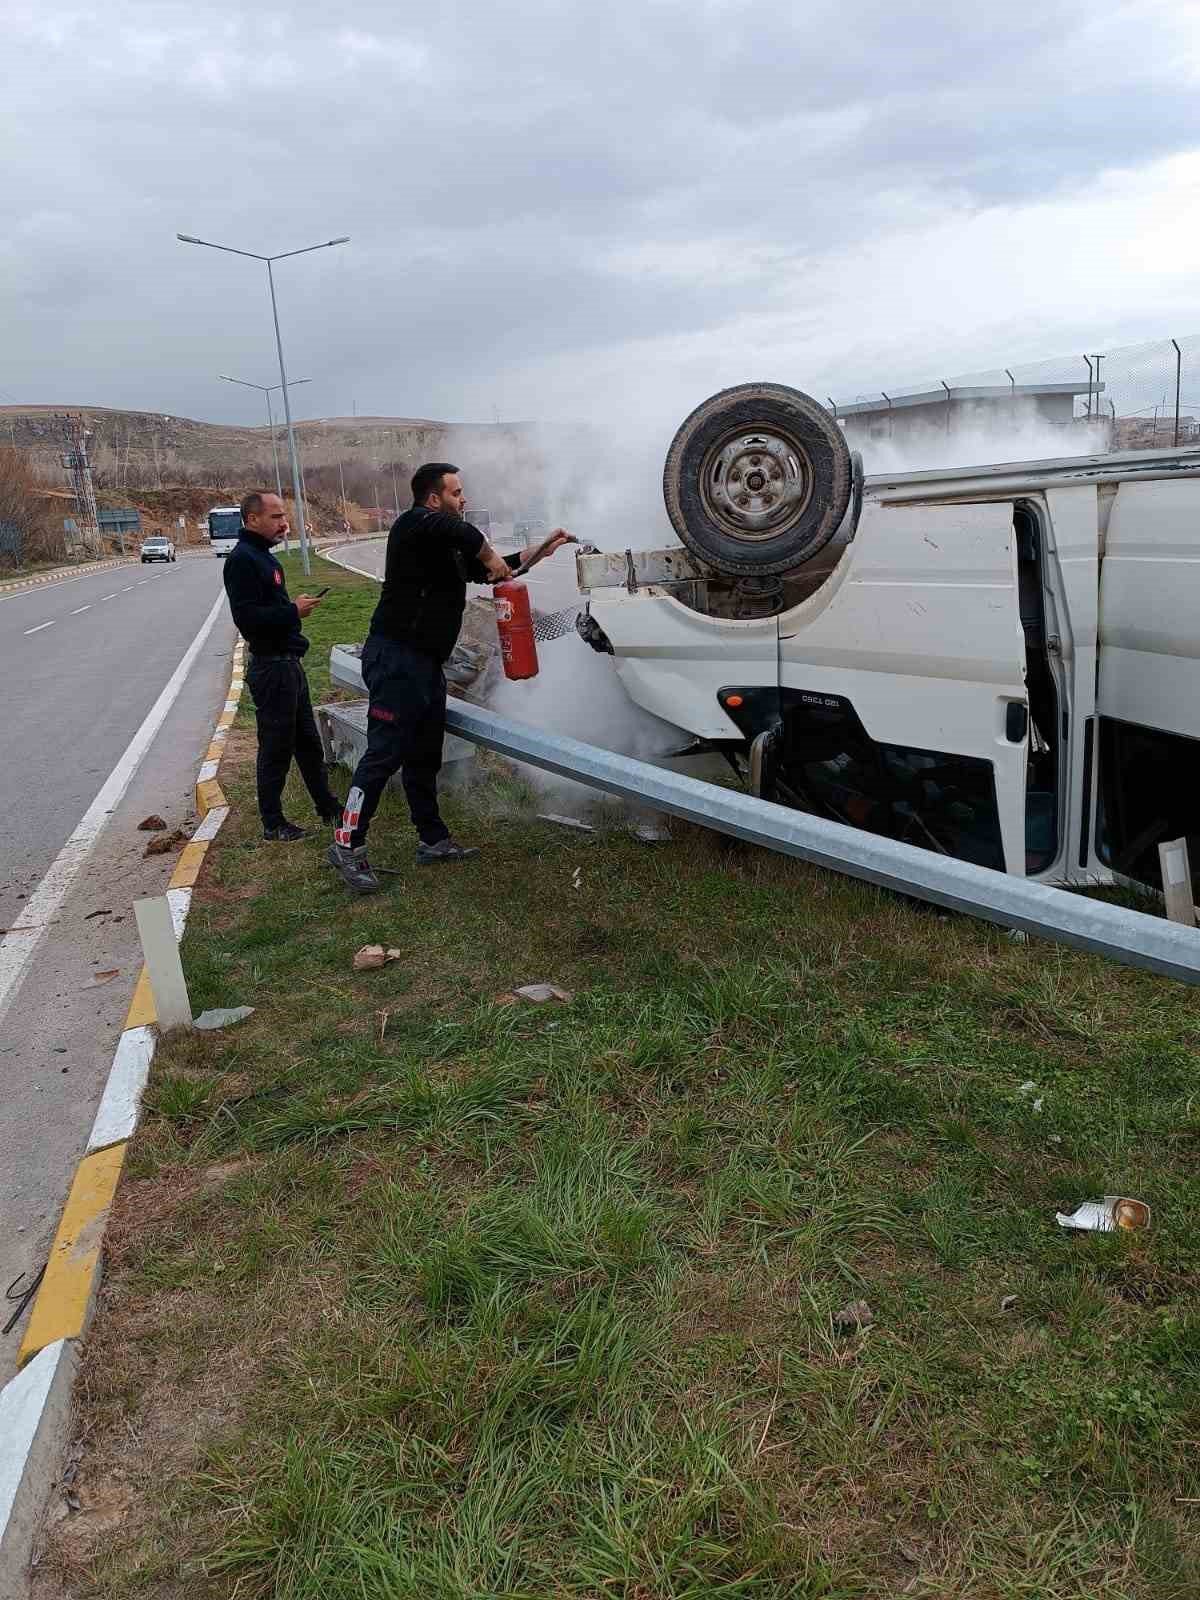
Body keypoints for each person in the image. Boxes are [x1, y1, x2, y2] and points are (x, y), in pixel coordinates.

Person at [328, 463, 575, 893]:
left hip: (425, 665)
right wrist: (487, 551)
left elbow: (497, 571)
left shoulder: (446, 546)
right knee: (383, 756)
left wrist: (540, 550)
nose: (464, 499)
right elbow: (464, 537)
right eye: (457, 492)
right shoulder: (413, 525)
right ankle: (347, 843)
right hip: (395, 659)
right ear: (433, 498)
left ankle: (433, 840)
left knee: (425, 756)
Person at [223, 491, 343, 842]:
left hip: (289, 666)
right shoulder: (243, 559)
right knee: (276, 747)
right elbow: (247, 618)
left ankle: (327, 806)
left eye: (284, 516)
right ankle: (273, 823)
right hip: (272, 670)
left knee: (308, 742)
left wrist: (292, 611)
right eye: (276, 517)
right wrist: (293, 611)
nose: (285, 523)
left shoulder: (264, 558)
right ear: (252, 519)